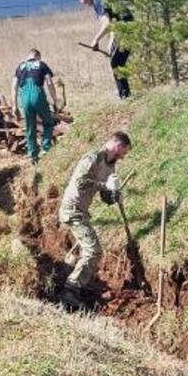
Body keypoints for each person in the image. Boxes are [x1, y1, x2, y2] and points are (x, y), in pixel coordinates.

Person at [58, 130, 131, 305]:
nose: (122, 157)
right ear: (118, 145)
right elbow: (80, 183)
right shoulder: (92, 159)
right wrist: (104, 184)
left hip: (81, 211)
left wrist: (114, 195)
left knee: (89, 248)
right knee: (93, 250)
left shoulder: (110, 165)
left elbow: (104, 197)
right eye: (124, 152)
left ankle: (69, 273)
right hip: (72, 209)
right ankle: (70, 290)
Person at [75, 0, 132, 100]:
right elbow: (113, 21)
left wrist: (96, 40)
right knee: (117, 61)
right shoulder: (97, 3)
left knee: (116, 63)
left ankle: (125, 95)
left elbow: (107, 23)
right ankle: (123, 93)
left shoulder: (98, 0)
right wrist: (111, 40)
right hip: (122, 29)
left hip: (127, 30)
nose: (83, 0)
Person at [14, 48, 57, 162]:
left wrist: (15, 105)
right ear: (38, 56)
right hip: (37, 95)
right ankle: (46, 148)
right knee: (48, 123)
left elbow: (14, 87)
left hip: (24, 98)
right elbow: (49, 82)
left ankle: (33, 155)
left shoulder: (20, 67)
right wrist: (55, 100)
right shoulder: (41, 65)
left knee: (30, 127)